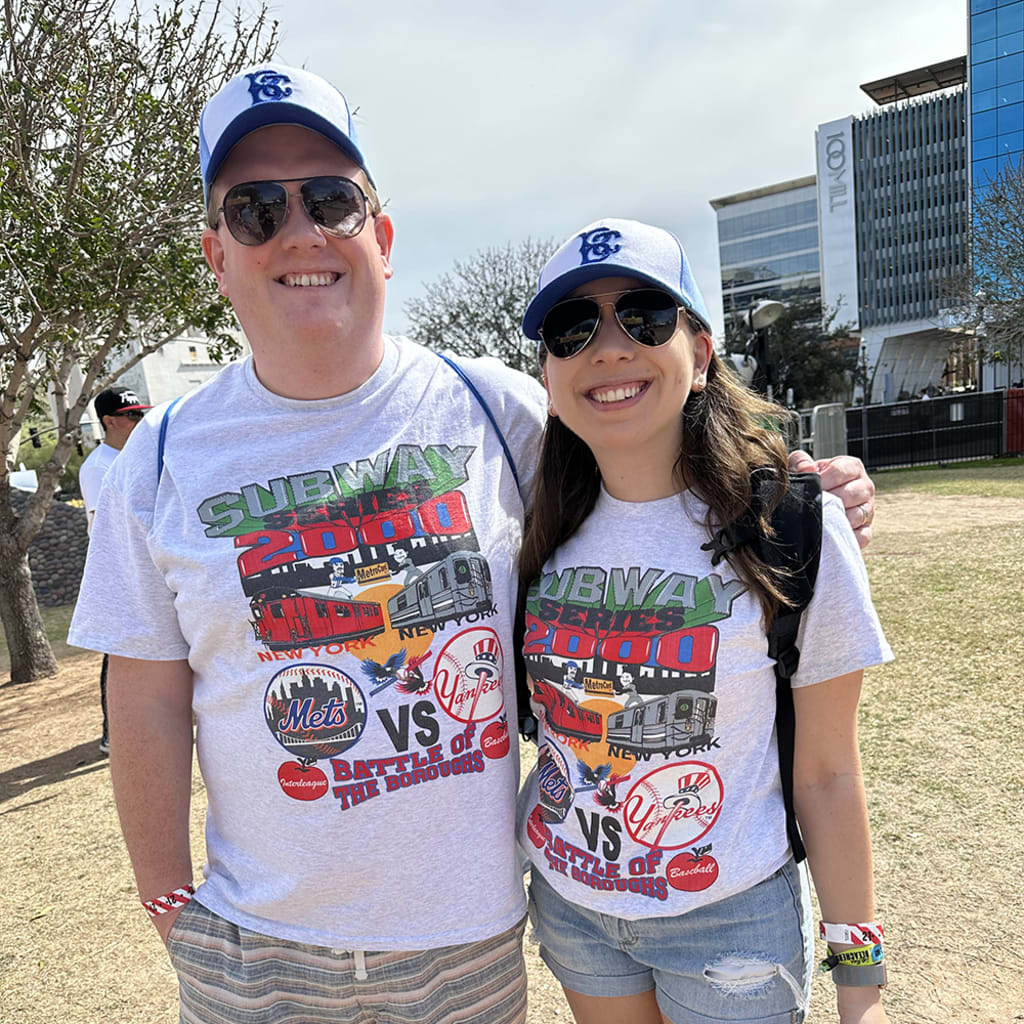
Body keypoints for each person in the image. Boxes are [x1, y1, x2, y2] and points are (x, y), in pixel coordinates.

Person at [68, 65, 877, 1024]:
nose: (301, 232)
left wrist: (807, 490)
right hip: (257, 947)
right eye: (255, 210)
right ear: (216, 251)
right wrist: (169, 903)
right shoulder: (154, 458)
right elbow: (148, 695)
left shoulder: (501, 408)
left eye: (332, 200)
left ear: (383, 235)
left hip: (473, 939)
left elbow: (643, 456)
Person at [516, 219, 892, 1024]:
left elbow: (828, 774)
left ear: (702, 352)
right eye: (572, 327)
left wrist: (860, 976)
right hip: (575, 907)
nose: (609, 348)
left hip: (729, 919)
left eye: (644, 316)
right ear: (547, 371)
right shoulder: (528, 529)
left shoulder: (792, 524)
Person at [76, 385, 151, 754]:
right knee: (120, 652)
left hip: (151, 564)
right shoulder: (98, 467)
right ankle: (113, 732)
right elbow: (104, 524)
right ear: (109, 421)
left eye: (142, 413)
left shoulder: (142, 456)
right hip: (122, 568)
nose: (140, 420)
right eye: (132, 415)